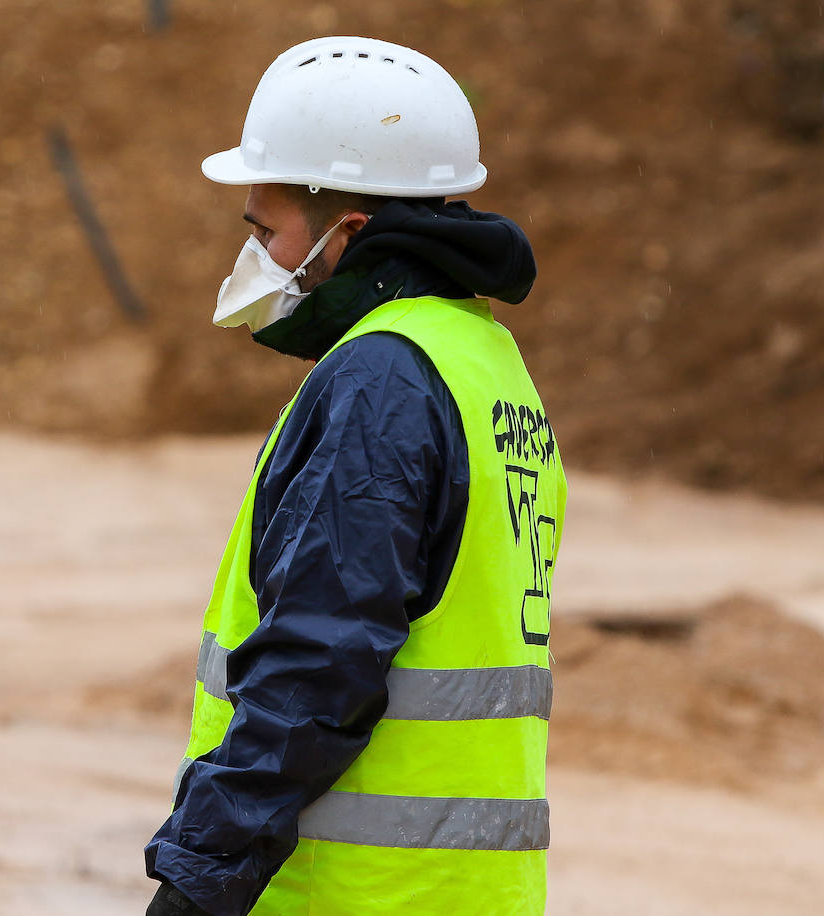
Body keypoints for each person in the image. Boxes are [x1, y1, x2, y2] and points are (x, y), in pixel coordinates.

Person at [144, 37, 568, 916]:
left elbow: (317, 664)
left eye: (265, 230)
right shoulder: (483, 360)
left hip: (357, 894)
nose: (253, 252)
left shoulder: (383, 381)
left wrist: (198, 879)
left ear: (350, 232)